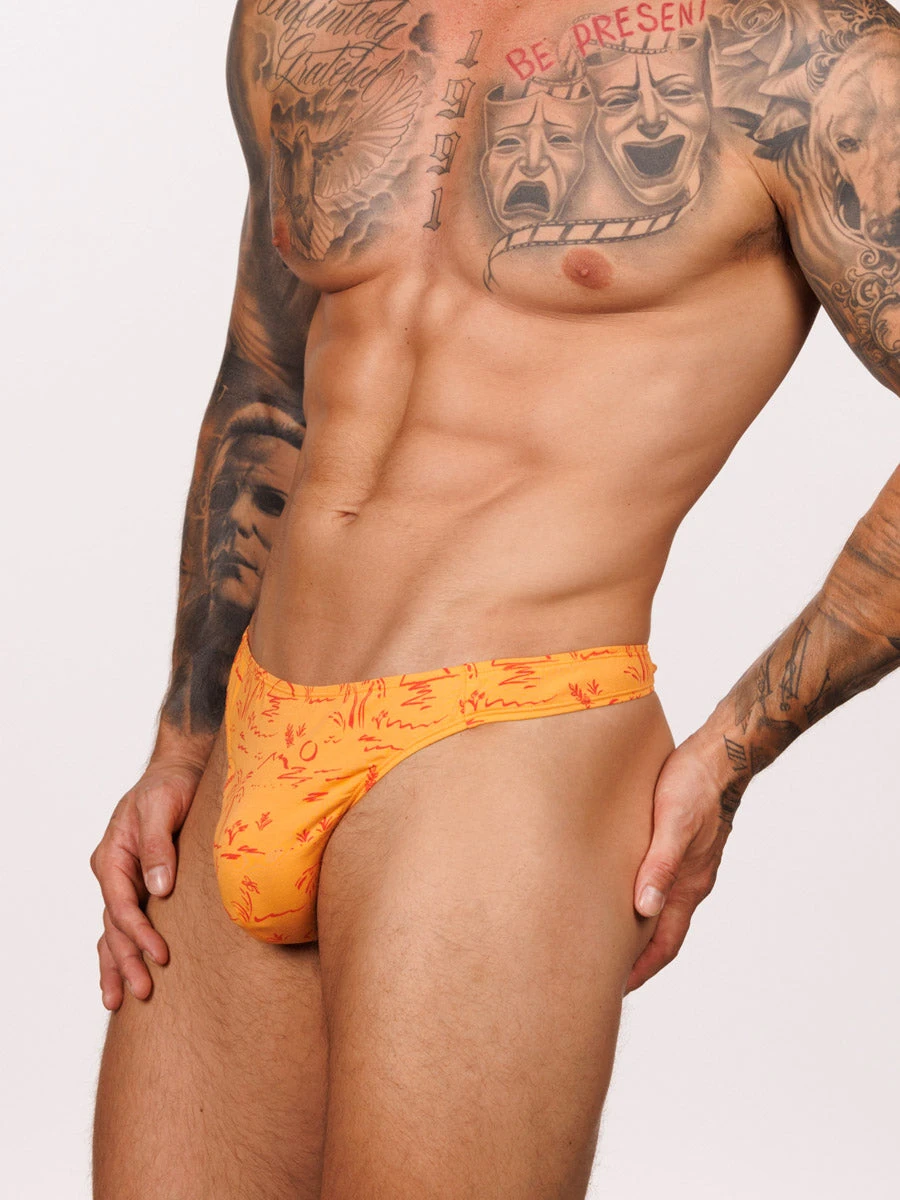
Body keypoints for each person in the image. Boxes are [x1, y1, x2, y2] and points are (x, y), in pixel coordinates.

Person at [90, 0, 900, 1195]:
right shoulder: (303, 17)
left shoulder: (802, 48)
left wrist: (734, 748)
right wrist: (183, 737)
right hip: (255, 736)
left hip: (501, 748)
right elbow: (267, 376)